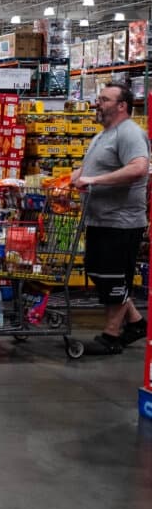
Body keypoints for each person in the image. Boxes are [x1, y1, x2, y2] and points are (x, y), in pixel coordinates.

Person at [71, 83, 149, 354]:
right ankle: (137, 323)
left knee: (114, 278)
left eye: (104, 99)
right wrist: (77, 174)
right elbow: (96, 164)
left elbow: (139, 168)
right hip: (100, 219)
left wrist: (93, 179)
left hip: (121, 222)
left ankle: (111, 335)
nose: (98, 103)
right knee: (100, 273)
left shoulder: (129, 133)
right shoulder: (104, 134)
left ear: (121, 106)